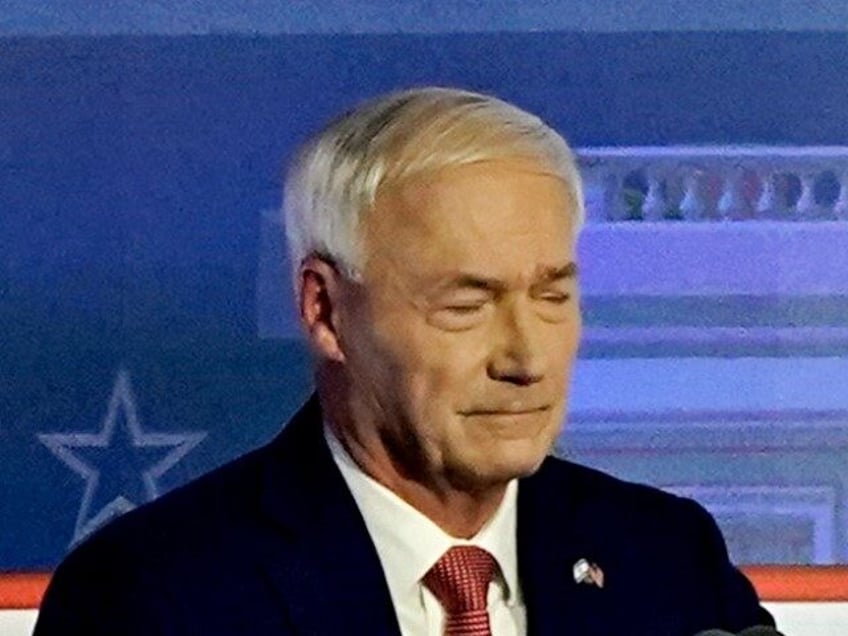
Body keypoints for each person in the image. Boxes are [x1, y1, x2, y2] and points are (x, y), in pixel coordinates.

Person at [35, 87, 775, 635]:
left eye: (552, 297)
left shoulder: (664, 558)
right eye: (467, 305)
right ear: (325, 310)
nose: (525, 358)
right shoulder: (156, 596)